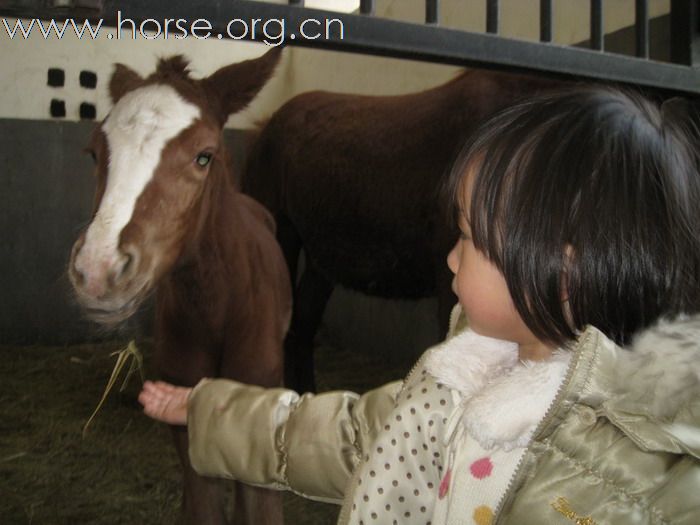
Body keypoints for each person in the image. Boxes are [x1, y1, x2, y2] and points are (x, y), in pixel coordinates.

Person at [139, 87, 700, 524]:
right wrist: (210, 410)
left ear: (563, 272)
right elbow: (345, 437)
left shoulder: (644, 480)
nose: (451, 258)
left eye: (468, 239)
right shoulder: (455, 377)